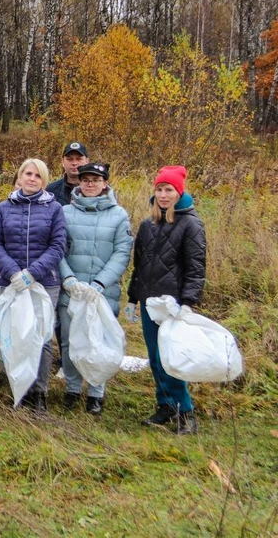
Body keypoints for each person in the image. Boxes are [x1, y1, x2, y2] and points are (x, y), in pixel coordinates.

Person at [127, 166, 205, 435]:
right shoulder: (148, 224)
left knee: (171, 358)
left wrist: (188, 302)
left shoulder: (191, 224)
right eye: (159, 189)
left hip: (173, 304)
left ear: (178, 192)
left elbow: (196, 267)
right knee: (154, 358)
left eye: (168, 189)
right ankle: (165, 406)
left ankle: (186, 413)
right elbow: (140, 264)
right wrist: (132, 297)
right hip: (150, 302)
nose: (163, 194)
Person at [0, 158, 67, 411]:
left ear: (44, 181)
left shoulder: (54, 209)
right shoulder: (4, 208)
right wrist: (12, 272)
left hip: (44, 283)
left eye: (38, 175)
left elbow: (58, 246)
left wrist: (32, 273)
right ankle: (19, 388)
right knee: (16, 334)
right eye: (27, 174)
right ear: (19, 177)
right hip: (11, 283)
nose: (32, 179)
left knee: (41, 337)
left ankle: (39, 392)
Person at [57, 163, 132, 415]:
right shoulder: (64, 212)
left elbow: (122, 252)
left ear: (105, 184)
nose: (90, 183)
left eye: (95, 179)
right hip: (73, 292)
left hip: (102, 293)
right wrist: (67, 279)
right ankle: (72, 388)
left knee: (98, 342)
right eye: (85, 179)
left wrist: (101, 283)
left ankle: (96, 393)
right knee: (70, 342)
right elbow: (57, 248)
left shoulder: (119, 215)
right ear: (78, 182)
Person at [47, 142, 90, 207]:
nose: (74, 163)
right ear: (62, 162)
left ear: (87, 161)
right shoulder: (50, 191)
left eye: (79, 159)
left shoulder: (97, 188)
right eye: (70, 159)